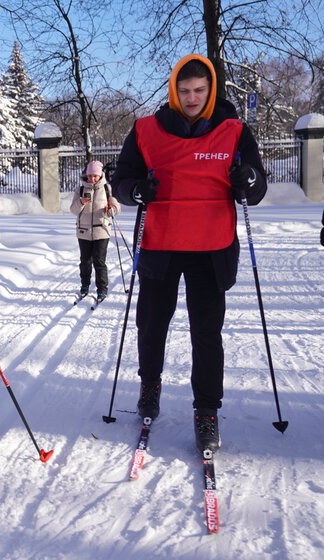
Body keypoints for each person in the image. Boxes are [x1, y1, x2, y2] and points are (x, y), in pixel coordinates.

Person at [111, 54, 267, 452]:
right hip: (160, 245)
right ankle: (150, 385)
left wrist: (246, 179)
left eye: (199, 90)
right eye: (184, 91)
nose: (192, 97)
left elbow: (257, 184)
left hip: (211, 249)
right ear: (173, 91)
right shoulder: (147, 130)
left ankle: (207, 410)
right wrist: (136, 191)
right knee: (151, 325)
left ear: (211, 90)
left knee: (206, 333)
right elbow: (122, 180)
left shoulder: (234, 130)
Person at [70, 160, 120, 301]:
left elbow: (116, 206)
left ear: (100, 175)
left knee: (99, 261)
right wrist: (80, 202)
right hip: (83, 231)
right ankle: (85, 285)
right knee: (85, 261)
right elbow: (73, 210)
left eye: (95, 176)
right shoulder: (80, 190)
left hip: (101, 231)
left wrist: (112, 210)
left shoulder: (107, 189)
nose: (92, 179)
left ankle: (102, 289)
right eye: (90, 175)